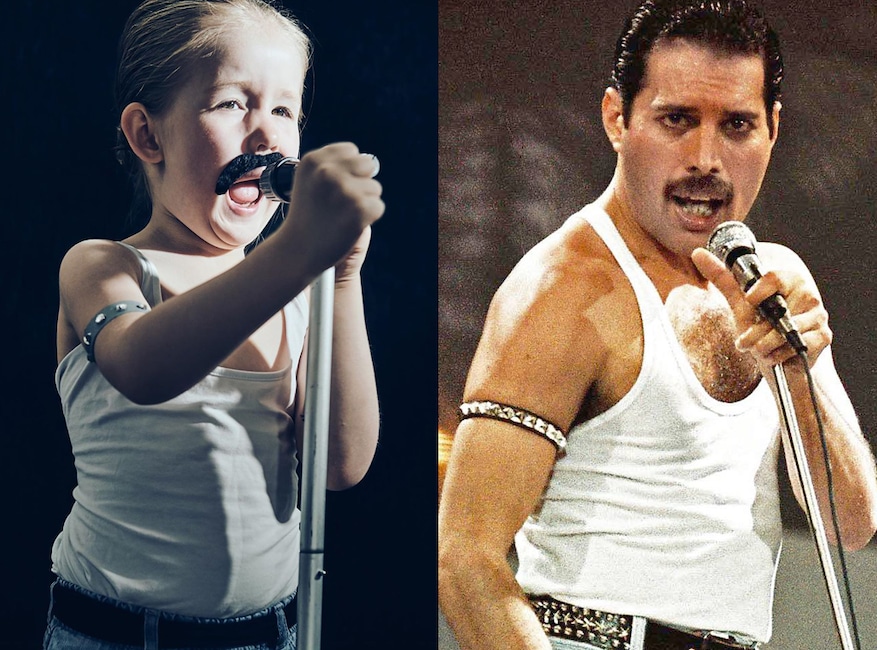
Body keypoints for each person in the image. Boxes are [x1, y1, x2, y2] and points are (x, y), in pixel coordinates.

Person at [438, 1, 877, 649]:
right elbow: (466, 556)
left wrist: (800, 365)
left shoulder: (770, 279)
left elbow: (848, 524)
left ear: (772, 130)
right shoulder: (565, 290)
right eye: (676, 120)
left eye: (735, 125)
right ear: (617, 118)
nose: (705, 157)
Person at [44, 1, 383, 648]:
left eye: (285, 111)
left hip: (266, 633)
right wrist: (297, 251)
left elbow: (340, 462)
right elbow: (141, 368)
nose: (266, 136)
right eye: (231, 104)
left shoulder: (295, 286)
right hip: (114, 634)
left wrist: (340, 276)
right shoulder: (103, 266)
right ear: (148, 137)